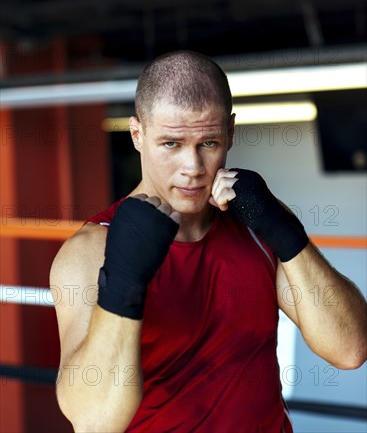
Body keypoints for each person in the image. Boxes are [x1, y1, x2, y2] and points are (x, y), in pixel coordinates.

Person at [50, 50, 367, 432]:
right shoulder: (90, 252)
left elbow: (350, 349)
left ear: (230, 133)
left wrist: (286, 232)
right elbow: (93, 421)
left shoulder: (256, 222)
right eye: (171, 144)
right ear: (138, 134)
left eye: (209, 143)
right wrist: (123, 282)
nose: (193, 168)